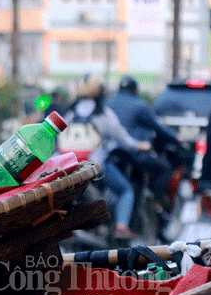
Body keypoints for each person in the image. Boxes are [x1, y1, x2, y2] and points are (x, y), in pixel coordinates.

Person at [63, 74, 151, 239]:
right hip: (95, 167)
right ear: (100, 92)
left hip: (68, 168)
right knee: (126, 191)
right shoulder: (103, 114)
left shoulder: (69, 114)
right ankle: (121, 226)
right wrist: (140, 145)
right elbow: (124, 140)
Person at [107, 75, 181, 210]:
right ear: (135, 89)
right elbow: (158, 127)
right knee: (165, 169)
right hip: (133, 153)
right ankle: (156, 203)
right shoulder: (140, 105)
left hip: (108, 155)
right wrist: (177, 137)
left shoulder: (107, 103)